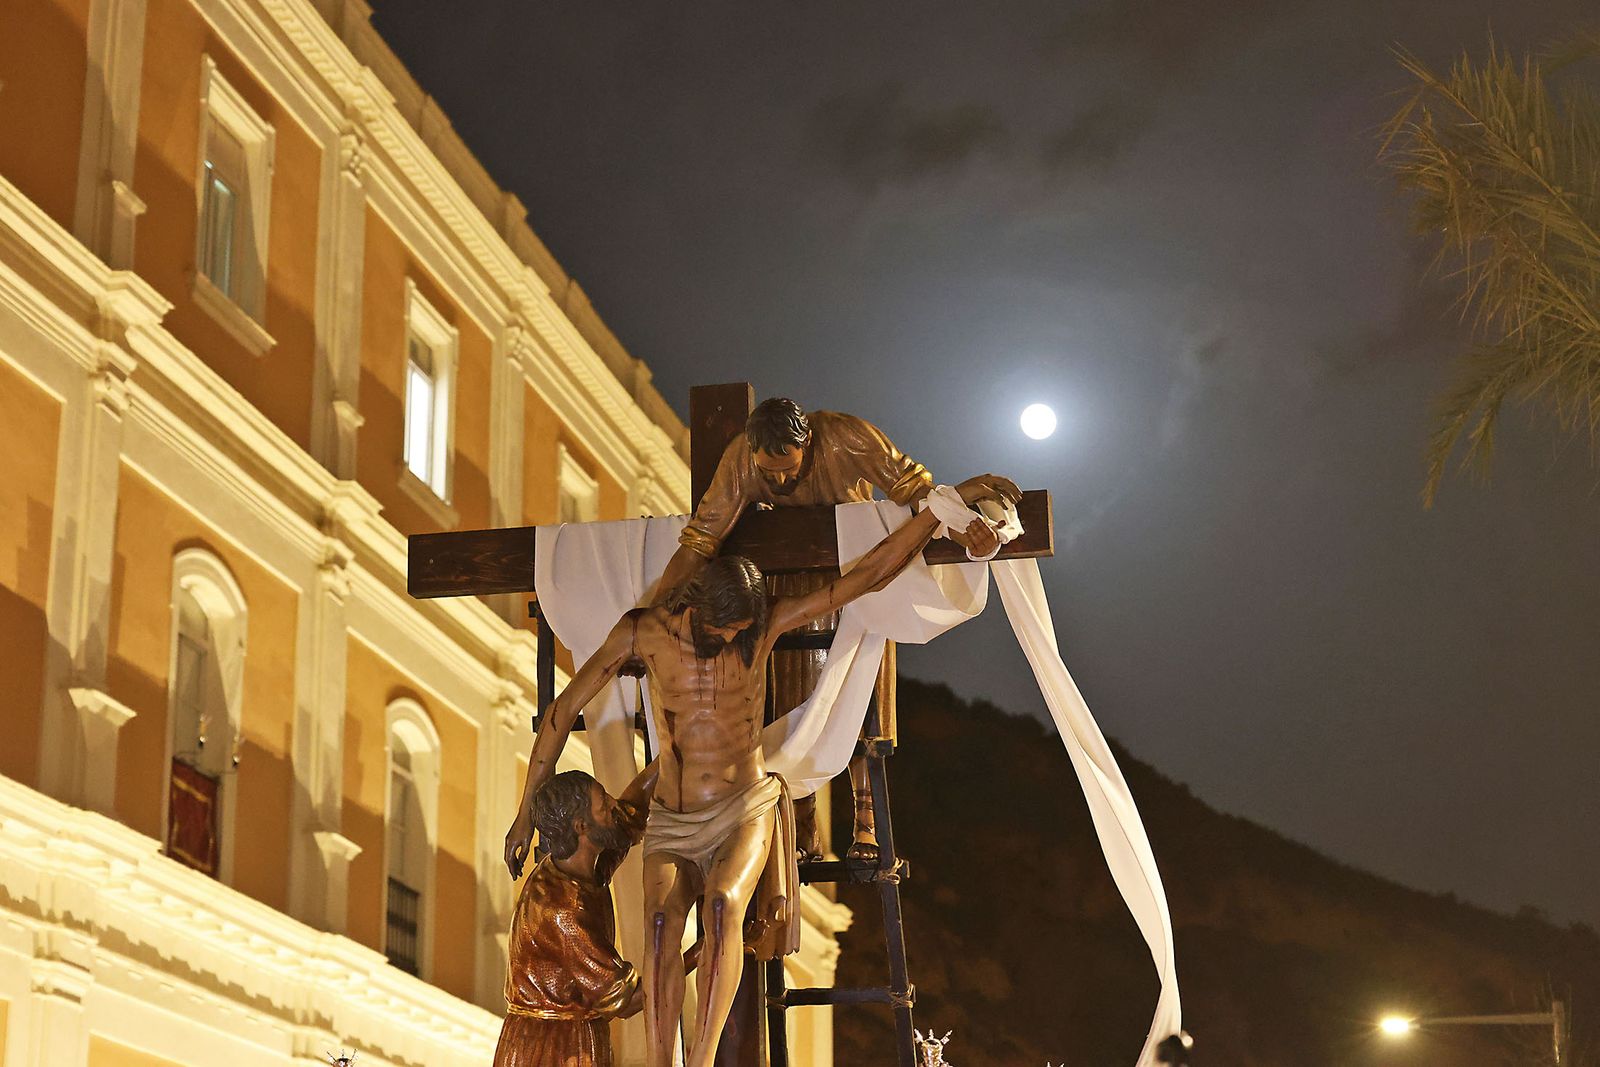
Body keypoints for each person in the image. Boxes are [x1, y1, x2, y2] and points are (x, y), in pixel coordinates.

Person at [504, 476, 1010, 1067]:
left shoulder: (760, 627)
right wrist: (525, 814)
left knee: (722, 905)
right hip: (672, 814)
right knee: (661, 926)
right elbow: (562, 711)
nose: (731, 642)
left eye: (740, 633)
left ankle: (701, 1061)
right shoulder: (644, 632)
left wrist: (937, 511)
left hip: (742, 805)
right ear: (697, 608)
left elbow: (863, 578)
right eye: (721, 633)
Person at [652, 397, 1019, 861]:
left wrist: (967, 528)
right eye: (769, 474)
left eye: (788, 469)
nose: (779, 482)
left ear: (808, 441)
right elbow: (700, 539)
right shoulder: (741, 459)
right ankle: (802, 818)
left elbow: (916, 491)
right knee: (790, 703)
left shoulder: (847, 437)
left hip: (858, 574)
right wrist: (657, 614)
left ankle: (865, 818)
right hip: (789, 585)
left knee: (861, 696)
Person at [494, 770, 647, 1067]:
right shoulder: (564, 910)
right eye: (604, 805)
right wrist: (706, 950)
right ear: (581, 826)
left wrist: (671, 757)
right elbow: (628, 1001)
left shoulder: (585, 866)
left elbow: (631, 814)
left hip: (572, 1034)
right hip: (554, 1048)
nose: (613, 805)